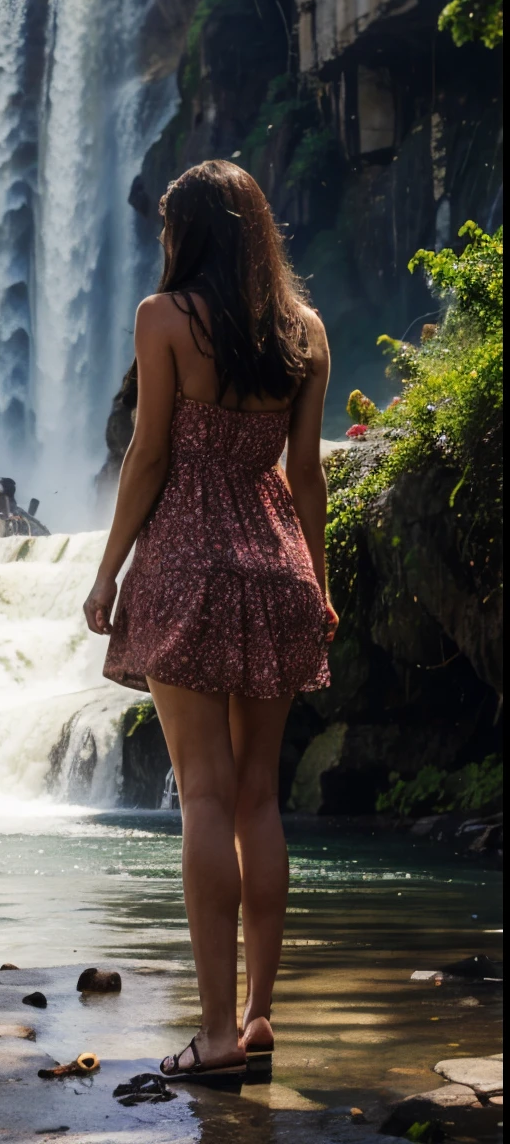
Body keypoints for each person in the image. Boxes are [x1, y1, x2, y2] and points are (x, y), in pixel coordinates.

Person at [83, 160, 337, 1087]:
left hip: (188, 558)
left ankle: (218, 1032)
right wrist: (320, 584)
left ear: (188, 234)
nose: (160, 242)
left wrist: (108, 570)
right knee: (258, 800)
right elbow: (306, 476)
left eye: (165, 227)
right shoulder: (304, 332)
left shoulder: (164, 320)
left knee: (202, 796)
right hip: (277, 563)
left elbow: (149, 455)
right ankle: (263, 1018)